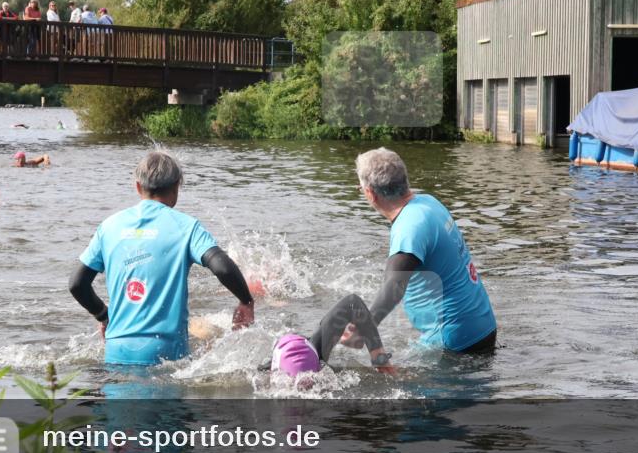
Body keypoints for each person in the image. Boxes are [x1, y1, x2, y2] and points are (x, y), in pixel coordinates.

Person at [69, 152, 255, 365]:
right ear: (177, 186)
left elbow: (76, 284)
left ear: (138, 187)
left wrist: (104, 316)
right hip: (166, 353)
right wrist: (246, 301)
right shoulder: (186, 226)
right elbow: (222, 267)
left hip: (116, 351)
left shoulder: (109, 226)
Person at [353, 148, 497, 354]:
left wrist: (364, 327)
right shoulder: (428, 203)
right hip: (482, 326)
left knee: (391, 383)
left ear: (370, 193)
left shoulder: (408, 228)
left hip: (454, 341)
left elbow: (393, 286)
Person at [263, 294, 394, 379]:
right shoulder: (317, 347)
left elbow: (352, 303)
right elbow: (352, 302)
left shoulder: (316, 349)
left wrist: (379, 358)